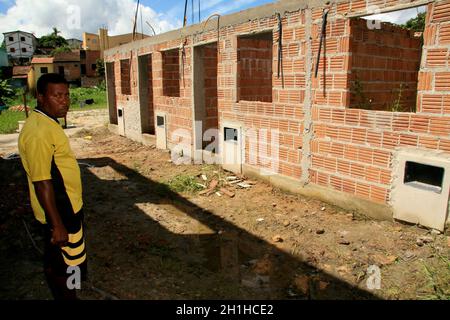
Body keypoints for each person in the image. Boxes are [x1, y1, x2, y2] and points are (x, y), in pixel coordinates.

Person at [18, 73, 87, 300]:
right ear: (40, 97)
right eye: (57, 96)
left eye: (66, 95)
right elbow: (42, 181)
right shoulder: (38, 132)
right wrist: (57, 224)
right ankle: (70, 297)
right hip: (61, 209)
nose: (64, 101)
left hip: (62, 205)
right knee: (71, 263)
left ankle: (64, 291)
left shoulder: (46, 122)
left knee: (56, 258)